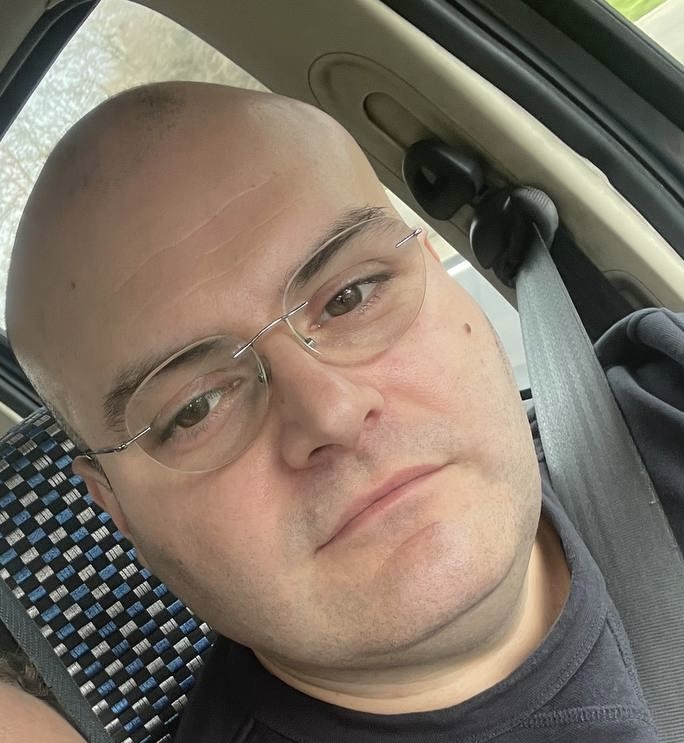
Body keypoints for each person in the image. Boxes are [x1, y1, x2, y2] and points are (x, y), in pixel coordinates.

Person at [5, 80, 682, 742]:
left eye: (350, 296)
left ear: (433, 267)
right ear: (116, 507)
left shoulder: (660, 399)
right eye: (197, 406)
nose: (332, 412)